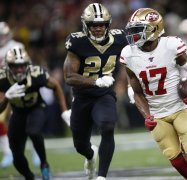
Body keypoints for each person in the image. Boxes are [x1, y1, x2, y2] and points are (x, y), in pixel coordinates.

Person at [121, 8, 187, 180]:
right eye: (133, 30)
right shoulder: (128, 54)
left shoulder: (171, 45)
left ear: (153, 29)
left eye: (138, 30)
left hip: (177, 107)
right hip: (156, 113)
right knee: (176, 160)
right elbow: (136, 91)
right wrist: (146, 115)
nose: (134, 35)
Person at [63, 3, 127, 180]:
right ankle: (90, 155)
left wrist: (130, 85)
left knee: (107, 126)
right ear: (86, 25)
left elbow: (134, 57)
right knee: (80, 145)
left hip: (104, 96)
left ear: (108, 25)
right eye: (94, 25)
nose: (98, 29)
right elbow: (68, 77)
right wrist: (95, 81)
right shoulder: (78, 42)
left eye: (101, 25)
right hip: (82, 97)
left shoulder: (121, 38)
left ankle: (101, 177)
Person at [0, 46, 69, 180]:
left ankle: (44, 164)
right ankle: (29, 177)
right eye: (15, 66)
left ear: (27, 64)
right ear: (8, 66)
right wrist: (7, 97)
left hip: (36, 107)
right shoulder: (2, 79)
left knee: (33, 131)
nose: (20, 70)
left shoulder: (36, 73)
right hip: (18, 112)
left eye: (22, 66)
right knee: (16, 156)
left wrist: (64, 110)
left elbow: (56, 85)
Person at [0, 21, 40, 168]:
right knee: (1, 120)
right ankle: (8, 152)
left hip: (19, 86)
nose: (2, 38)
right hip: (3, 88)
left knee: (27, 120)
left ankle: (35, 151)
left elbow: (27, 66)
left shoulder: (16, 46)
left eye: (3, 35)